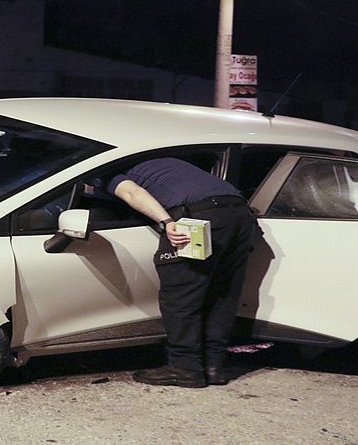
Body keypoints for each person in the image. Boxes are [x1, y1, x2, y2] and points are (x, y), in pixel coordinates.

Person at [107, 157, 257, 388]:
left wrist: (167, 221)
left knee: (181, 297)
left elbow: (131, 193)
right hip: (240, 215)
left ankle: (184, 369)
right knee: (222, 293)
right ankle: (214, 367)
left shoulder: (111, 171)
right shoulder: (165, 162)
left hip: (199, 217)